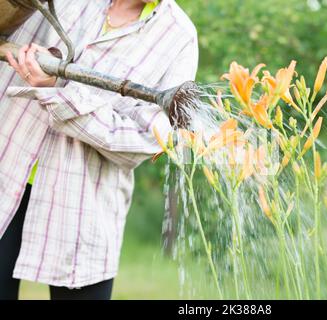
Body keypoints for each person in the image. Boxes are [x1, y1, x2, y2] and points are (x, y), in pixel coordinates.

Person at [0, 0, 198, 300]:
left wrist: (62, 90)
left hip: (82, 208)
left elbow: (144, 139)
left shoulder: (179, 35)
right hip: (6, 172)